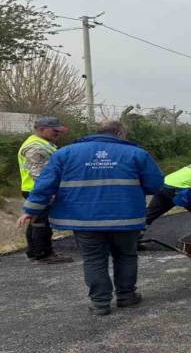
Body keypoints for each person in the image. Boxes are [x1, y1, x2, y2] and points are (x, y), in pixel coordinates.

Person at [18, 121, 164, 315]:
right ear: (120, 133)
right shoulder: (137, 154)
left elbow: (45, 184)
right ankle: (126, 296)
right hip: (126, 216)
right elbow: (155, 184)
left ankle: (100, 303)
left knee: (94, 259)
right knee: (126, 255)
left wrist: (31, 209)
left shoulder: (65, 153)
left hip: (83, 218)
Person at [17, 117, 73, 264]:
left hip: (36, 189)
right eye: (55, 131)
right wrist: (50, 191)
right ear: (41, 129)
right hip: (38, 190)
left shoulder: (44, 143)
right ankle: (43, 254)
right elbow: (39, 174)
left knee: (36, 221)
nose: (58, 134)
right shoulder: (35, 147)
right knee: (41, 222)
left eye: (59, 131)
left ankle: (34, 251)